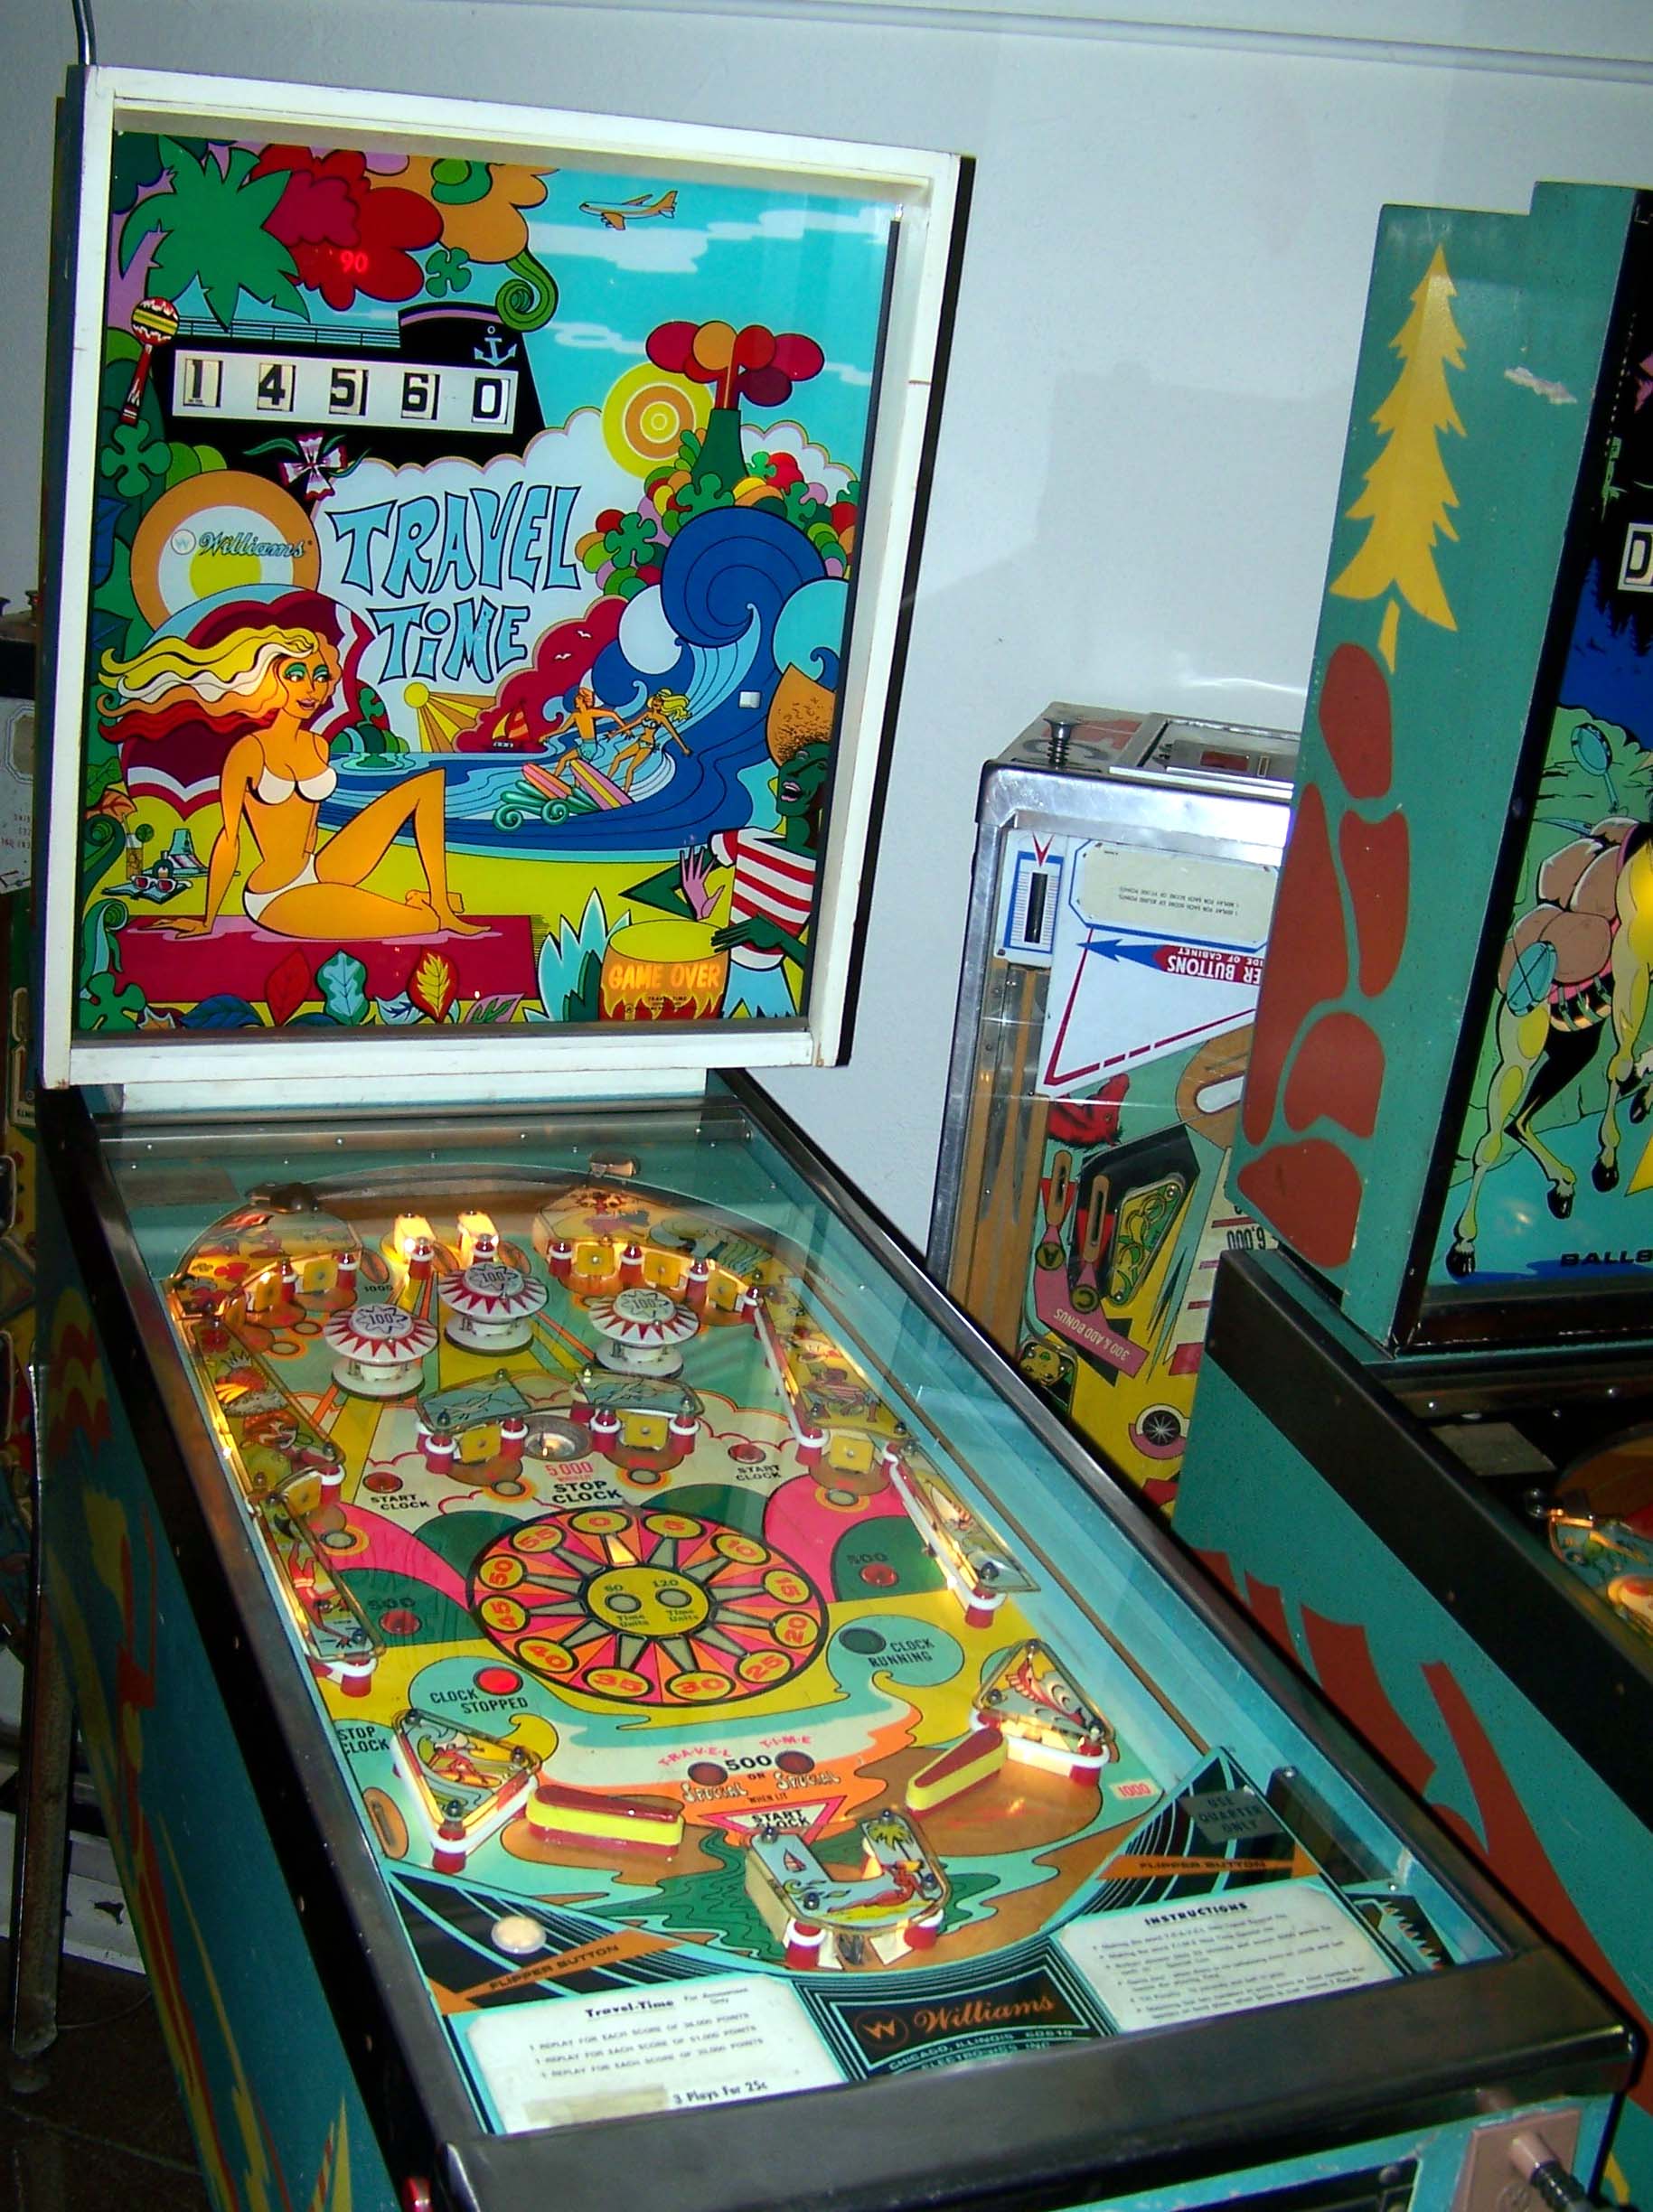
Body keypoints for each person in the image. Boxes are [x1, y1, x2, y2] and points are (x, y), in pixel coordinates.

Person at [99, 598, 480, 939]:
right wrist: (206, 920)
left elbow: (308, 827)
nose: (310, 688)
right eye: (296, 675)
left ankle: (440, 902)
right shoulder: (249, 751)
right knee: (423, 924)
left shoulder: (318, 745)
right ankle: (428, 910)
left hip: (318, 868)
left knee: (428, 784)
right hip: (276, 895)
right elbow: (230, 839)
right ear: (271, 677)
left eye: (320, 676)